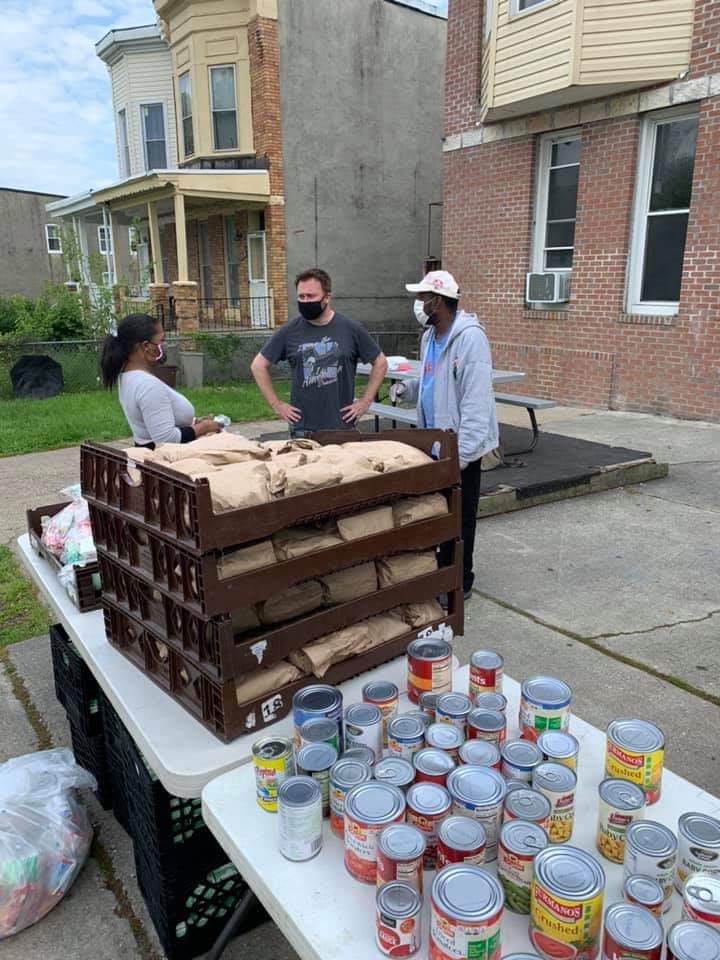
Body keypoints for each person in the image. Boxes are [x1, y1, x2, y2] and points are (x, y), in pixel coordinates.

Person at [395, 270, 499, 601]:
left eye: (423, 298)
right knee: (439, 513)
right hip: (434, 442)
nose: (419, 304)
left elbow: (476, 403)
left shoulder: (469, 339)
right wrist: (406, 388)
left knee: (461, 516)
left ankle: (459, 581)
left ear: (438, 301)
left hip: (460, 447)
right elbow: (431, 382)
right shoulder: (430, 339)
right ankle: (442, 569)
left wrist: (464, 457)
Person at [251, 268, 388, 435]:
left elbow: (380, 362)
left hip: (342, 426)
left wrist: (366, 401)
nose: (305, 301)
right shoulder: (289, 331)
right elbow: (258, 366)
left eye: (311, 296)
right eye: (301, 296)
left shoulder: (351, 329)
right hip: (303, 428)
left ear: (327, 297)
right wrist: (276, 405)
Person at [100, 313, 222, 449]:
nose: (164, 346)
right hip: (165, 460)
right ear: (146, 346)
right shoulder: (147, 385)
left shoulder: (128, 377)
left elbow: (155, 421)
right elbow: (166, 439)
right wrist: (204, 427)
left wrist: (194, 423)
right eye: (161, 341)